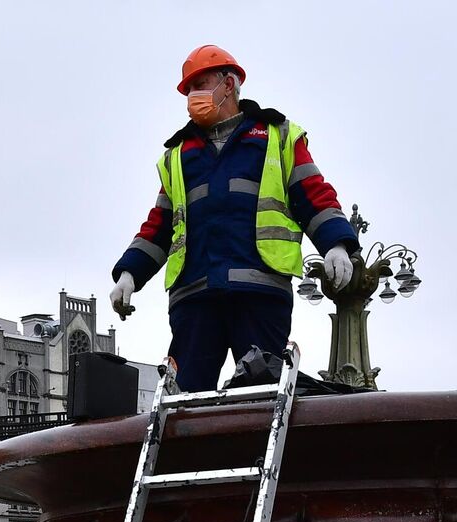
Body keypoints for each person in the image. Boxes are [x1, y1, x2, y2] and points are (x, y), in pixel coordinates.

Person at [109, 45, 362, 392]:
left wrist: (337, 243)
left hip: (259, 291)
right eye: (189, 89)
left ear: (228, 85)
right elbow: (160, 224)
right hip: (195, 297)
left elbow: (313, 194)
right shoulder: (177, 155)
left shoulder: (278, 135)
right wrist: (129, 273)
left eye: (202, 83)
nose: (193, 95)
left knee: (260, 395)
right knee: (186, 402)